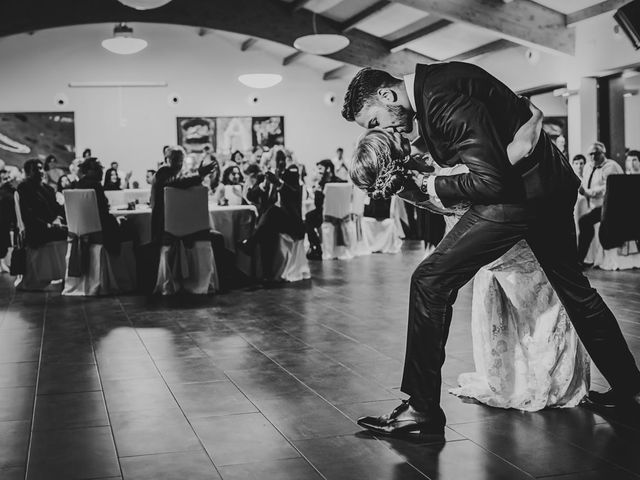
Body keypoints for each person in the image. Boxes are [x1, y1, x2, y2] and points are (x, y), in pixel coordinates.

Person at [342, 62, 640, 439]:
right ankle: (630, 386)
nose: (382, 129)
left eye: (374, 121)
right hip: (548, 188)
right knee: (577, 292)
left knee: (430, 280)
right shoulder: (443, 81)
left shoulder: (439, 100)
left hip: (517, 200)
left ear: (386, 95)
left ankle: (421, 411)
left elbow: (491, 181)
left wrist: (432, 184)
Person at [353, 128, 589, 412]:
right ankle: (541, 378)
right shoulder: (435, 164)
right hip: (501, 236)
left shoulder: (408, 185)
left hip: (491, 243)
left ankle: (518, 380)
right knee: (539, 306)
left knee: (527, 308)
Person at [150, 146, 216, 244]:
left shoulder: (174, 173)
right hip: (164, 227)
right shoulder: (163, 171)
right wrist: (199, 175)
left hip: (174, 224)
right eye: (175, 160)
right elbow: (177, 182)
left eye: (181, 160)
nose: (179, 164)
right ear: (166, 160)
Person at [577, 142, 623, 265]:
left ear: (603, 153)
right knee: (584, 221)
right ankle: (584, 258)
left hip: (609, 206)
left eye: (596, 154)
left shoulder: (610, 166)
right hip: (593, 206)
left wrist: (588, 192)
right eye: (590, 154)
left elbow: (607, 188)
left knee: (584, 221)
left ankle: (579, 259)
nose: (593, 157)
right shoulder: (588, 166)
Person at [75, 158, 131, 252]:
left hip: (82, 231)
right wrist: (117, 221)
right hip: (101, 230)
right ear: (95, 171)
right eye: (100, 170)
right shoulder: (96, 186)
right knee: (131, 227)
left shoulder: (78, 185)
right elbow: (103, 212)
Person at [17, 159, 67, 248]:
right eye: (36, 169)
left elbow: (57, 208)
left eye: (41, 168)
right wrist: (47, 225)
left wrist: (58, 219)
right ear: (28, 173)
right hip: (38, 235)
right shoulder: (24, 188)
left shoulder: (49, 189)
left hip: (54, 232)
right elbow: (28, 213)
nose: (40, 172)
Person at [305, 159, 345, 260]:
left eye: (320, 168)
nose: (318, 171)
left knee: (308, 217)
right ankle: (316, 245)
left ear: (327, 169)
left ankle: (316, 246)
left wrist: (317, 190)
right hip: (340, 214)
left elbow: (318, 204)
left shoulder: (323, 183)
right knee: (310, 216)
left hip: (325, 215)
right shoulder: (340, 182)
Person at [0, 168, 16, 271]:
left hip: (5, 219)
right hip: (4, 218)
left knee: (3, 241)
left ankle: (1, 263)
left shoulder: (8, 190)